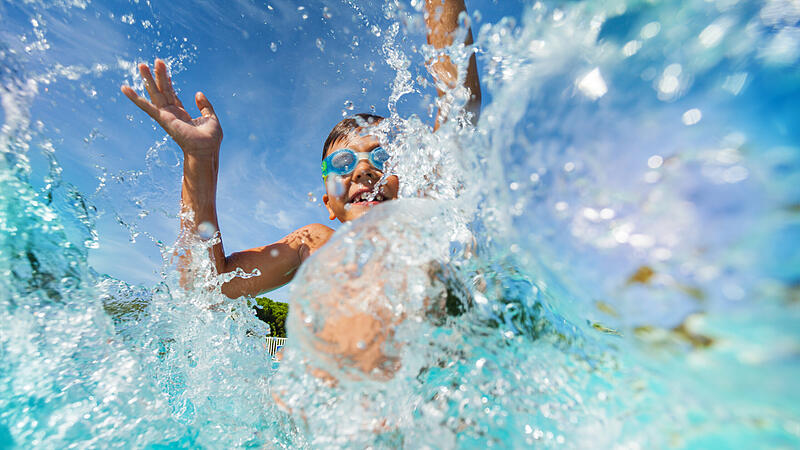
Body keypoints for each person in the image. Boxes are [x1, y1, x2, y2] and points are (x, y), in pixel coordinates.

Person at [121, 0, 480, 301]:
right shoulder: (314, 243)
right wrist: (199, 161)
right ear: (329, 204)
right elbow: (210, 285)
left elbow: (459, 107)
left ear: (406, 181)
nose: (366, 170)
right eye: (343, 162)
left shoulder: (431, 230)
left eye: (383, 158)